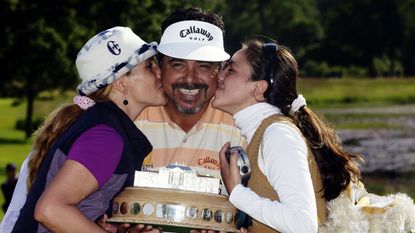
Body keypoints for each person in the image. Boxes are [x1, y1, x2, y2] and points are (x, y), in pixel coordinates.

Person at [214, 39, 415, 233]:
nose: (219, 75)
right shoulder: (262, 134)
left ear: (259, 88)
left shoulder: (278, 135)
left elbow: (302, 225)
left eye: (230, 69)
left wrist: (238, 193)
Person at [1, 26, 166, 233]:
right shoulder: (106, 136)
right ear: (121, 83)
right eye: (150, 66)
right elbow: (50, 210)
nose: (161, 73)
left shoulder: (100, 122)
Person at [135, 7, 245, 184]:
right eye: (178, 65)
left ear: (221, 71)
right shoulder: (133, 120)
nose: (190, 79)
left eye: (204, 66)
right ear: (158, 68)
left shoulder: (240, 127)